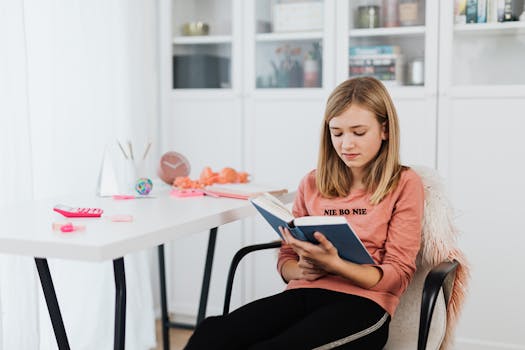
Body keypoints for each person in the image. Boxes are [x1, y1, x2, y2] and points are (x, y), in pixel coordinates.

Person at [184, 76, 424, 350]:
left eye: (358, 132)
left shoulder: (405, 183)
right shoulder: (312, 183)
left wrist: (337, 266)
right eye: (337, 133)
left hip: (365, 306)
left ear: (385, 130)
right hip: (303, 294)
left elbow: (398, 274)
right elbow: (287, 258)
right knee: (210, 334)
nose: (346, 144)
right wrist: (301, 269)